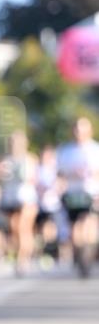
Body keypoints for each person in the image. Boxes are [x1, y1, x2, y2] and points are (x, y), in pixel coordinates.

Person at [57, 117, 99, 277]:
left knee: (89, 224)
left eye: (82, 129)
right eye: (76, 129)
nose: (79, 133)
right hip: (73, 195)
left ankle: (88, 254)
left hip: (91, 193)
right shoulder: (66, 151)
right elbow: (60, 174)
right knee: (75, 229)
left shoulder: (95, 150)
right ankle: (80, 254)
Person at [0, 130, 39, 275]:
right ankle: (19, 254)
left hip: (26, 198)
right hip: (10, 198)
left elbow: (33, 179)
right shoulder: (5, 160)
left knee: (23, 228)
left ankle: (23, 259)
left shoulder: (29, 159)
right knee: (14, 229)